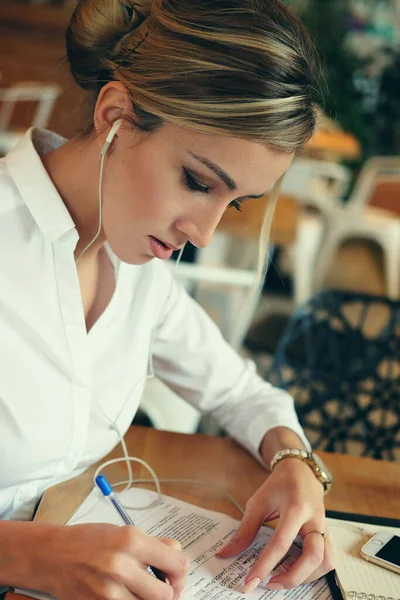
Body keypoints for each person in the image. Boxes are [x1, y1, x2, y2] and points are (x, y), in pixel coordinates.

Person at [0, 0, 334, 598]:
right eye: (198, 183)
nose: (201, 235)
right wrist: (21, 554)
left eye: (231, 204)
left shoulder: (134, 265)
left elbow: (239, 391)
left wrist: (296, 465)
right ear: (115, 115)